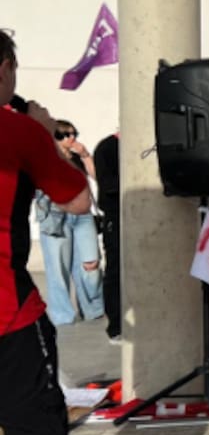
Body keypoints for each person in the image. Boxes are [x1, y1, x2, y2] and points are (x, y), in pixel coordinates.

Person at [0, 28, 142, 435]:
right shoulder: (15, 130)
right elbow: (79, 198)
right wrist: (41, 131)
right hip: (8, 317)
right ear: (5, 67)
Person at [34, 120, 104, 326]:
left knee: (90, 264)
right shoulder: (46, 157)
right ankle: (63, 315)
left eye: (73, 133)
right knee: (58, 268)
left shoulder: (76, 157)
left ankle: (93, 308)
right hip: (56, 217)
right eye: (63, 135)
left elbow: (97, 177)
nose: (70, 138)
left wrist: (85, 155)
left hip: (82, 216)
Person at [92, 133, 121, 343]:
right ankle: (116, 326)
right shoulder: (107, 147)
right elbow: (108, 184)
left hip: (139, 217)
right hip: (116, 216)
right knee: (115, 269)